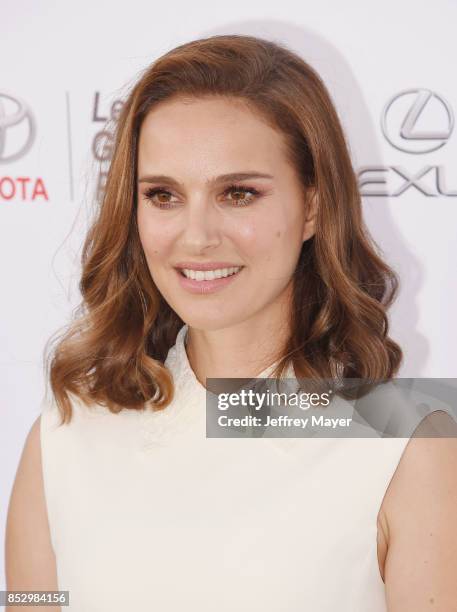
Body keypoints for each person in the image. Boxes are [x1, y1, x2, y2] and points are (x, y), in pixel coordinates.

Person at [5, 34, 457, 611]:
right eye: (164, 195)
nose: (196, 237)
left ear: (314, 205)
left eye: (238, 193)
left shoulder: (409, 443)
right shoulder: (63, 439)